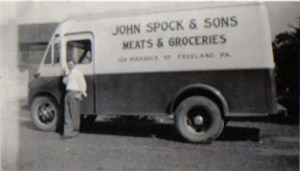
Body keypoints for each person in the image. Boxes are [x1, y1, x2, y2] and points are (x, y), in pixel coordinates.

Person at [62, 60, 87, 138]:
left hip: (74, 93)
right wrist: (66, 75)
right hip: (68, 93)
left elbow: (83, 84)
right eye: (69, 64)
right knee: (67, 113)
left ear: (75, 65)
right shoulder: (69, 74)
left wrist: (80, 94)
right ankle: (67, 132)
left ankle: (75, 131)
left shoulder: (78, 73)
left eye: (72, 64)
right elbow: (65, 82)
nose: (70, 66)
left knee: (74, 113)